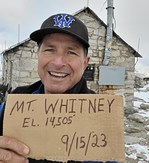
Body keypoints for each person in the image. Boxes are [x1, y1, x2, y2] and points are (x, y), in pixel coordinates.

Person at [0, 13, 118, 163]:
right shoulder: (10, 107)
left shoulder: (102, 118)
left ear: (85, 63)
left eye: (71, 52)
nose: (58, 62)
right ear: (38, 55)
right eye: (50, 49)